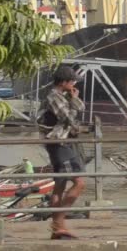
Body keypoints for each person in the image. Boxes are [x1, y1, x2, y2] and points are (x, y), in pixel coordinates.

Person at [38, 66, 86, 240]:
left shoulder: (64, 96)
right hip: (59, 144)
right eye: (72, 81)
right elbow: (69, 118)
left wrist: (74, 98)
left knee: (59, 186)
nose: (74, 83)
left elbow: (81, 107)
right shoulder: (54, 97)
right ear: (64, 82)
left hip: (62, 143)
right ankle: (58, 223)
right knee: (79, 183)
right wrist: (73, 105)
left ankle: (58, 229)